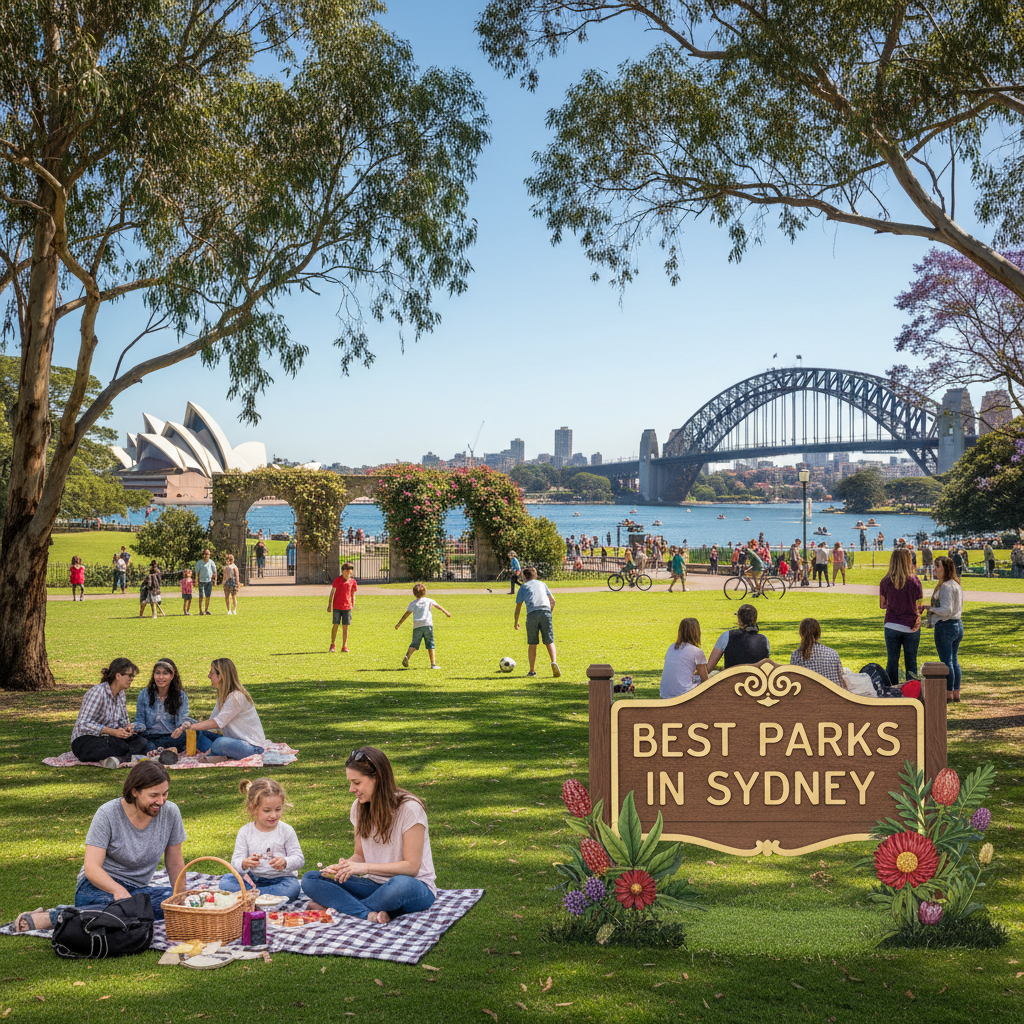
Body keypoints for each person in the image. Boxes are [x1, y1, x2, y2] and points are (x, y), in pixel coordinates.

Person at [14, 761, 186, 931]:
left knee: (172, 903)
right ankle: (51, 918)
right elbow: (91, 868)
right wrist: (117, 890)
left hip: (137, 891)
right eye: (154, 795)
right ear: (135, 791)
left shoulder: (171, 812)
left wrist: (181, 898)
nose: (161, 801)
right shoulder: (107, 814)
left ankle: (78, 913)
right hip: (97, 887)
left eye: (165, 794)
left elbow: (174, 863)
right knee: (130, 911)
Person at [300, 747, 436, 925]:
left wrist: (365, 868)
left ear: (377, 778)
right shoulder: (359, 807)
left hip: (413, 887)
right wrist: (344, 868)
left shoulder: (410, 809)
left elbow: (411, 867)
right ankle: (368, 913)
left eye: (356, 782)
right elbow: (360, 856)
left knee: (399, 885)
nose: (351, 789)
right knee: (311, 878)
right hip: (374, 886)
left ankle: (341, 908)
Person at [221, 778, 303, 902]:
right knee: (226, 882)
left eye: (278, 809)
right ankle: (263, 897)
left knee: (292, 888)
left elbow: (299, 859)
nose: (274, 815)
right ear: (253, 808)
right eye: (267, 810)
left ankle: (251, 896)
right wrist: (245, 863)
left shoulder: (286, 830)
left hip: (282, 879)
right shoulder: (245, 831)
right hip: (254, 879)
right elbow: (235, 861)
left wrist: (285, 862)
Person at [173, 658, 267, 760]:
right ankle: (216, 753)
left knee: (220, 743)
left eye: (211, 673)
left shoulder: (236, 697)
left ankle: (214, 753)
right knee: (198, 733)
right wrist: (188, 725)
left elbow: (218, 723)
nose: (209, 676)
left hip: (252, 747)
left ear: (221, 675)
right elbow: (212, 724)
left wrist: (193, 726)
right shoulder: (223, 695)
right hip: (233, 741)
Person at [70, 657, 148, 767]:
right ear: (118, 675)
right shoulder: (97, 693)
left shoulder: (121, 694)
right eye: (129, 675)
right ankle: (126, 757)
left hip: (111, 738)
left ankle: (117, 759)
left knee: (142, 742)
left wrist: (127, 729)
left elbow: (122, 722)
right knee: (116, 745)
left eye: (133, 676)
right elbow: (83, 724)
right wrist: (111, 731)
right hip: (86, 739)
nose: (132, 679)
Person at [879, 548, 924, 686]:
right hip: (910, 625)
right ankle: (913, 692)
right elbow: (919, 606)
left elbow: (882, 605)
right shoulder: (915, 581)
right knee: (911, 661)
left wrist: (894, 602)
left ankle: (891, 690)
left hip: (892, 624)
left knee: (892, 661)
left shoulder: (885, 581)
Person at [924, 555, 964, 703]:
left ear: (945, 569)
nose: (934, 569)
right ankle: (955, 692)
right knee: (954, 661)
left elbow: (947, 610)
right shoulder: (956, 584)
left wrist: (932, 609)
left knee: (947, 662)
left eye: (938, 567)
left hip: (946, 625)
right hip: (957, 625)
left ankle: (948, 694)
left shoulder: (946, 586)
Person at [135, 658, 190, 752]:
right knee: (135, 739)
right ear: (153, 675)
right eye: (157, 673)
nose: (160, 677)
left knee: (186, 736)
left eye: (165, 673)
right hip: (148, 736)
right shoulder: (144, 694)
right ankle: (162, 750)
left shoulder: (181, 696)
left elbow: (181, 722)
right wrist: (134, 726)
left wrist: (183, 727)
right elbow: (140, 721)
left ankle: (154, 749)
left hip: (170, 736)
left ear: (172, 676)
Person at [514, 566, 559, 677]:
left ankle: (532, 671)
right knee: (549, 640)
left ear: (524, 577)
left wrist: (516, 621)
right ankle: (554, 662)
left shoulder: (523, 587)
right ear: (535, 575)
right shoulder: (542, 584)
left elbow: (518, 607)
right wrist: (549, 613)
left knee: (532, 643)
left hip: (532, 613)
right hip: (546, 612)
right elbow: (553, 601)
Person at [395, 583, 451, 670]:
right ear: (425, 592)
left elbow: (406, 614)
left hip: (417, 626)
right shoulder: (429, 601)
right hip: (427, 624)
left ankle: (407, 656)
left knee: (414, 643)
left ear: (414, 593)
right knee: (430, 644)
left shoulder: (412, 604)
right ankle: (433, 664)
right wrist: (446, 613)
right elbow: (438, 606)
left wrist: (398, 624)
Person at [707, 604, 770, 670]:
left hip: (733, 679)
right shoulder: (764, 640)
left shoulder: (727, 636)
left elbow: (709, 667)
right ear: (755, 620)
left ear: (739, 621)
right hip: (755, 679)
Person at [660, 618, 709, 698]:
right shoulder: (697, 652)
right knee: (712, 676)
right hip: (683, 694)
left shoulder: (671, 647)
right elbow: (705, 678)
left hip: (665, 694)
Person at [789, 618, 844, 687]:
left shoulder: (796, 656)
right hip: (833, 696)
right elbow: (841, 680)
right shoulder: (832, 654)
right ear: (819, 634)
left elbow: (793, 683)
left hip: (808, 696)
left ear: (801, 633)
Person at [328, 561, 357, 653]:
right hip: (337, 606)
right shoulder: (337, 580)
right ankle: (332, 644)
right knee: (335, 625)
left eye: (348, 569)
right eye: (344, 569)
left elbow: (353, 594)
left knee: (345, 627)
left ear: (351, 571)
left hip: (347, 607)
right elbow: (332, 592)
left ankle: (344, 646)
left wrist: (353, 604)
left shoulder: (352, 582)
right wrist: (329, 605)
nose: (346, 571)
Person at [195, 548, 218, 615]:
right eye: (205, 554)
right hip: (201, 581)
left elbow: (214, 572)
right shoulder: (199, 563)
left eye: (207, 554)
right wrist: (196, 581)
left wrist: (215, 581)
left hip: (209, 581)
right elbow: (197, 572)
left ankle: (206, 609)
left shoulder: (211, 562)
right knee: (201, 596)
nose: (206, 555)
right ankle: (200, 610)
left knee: (208, 596)